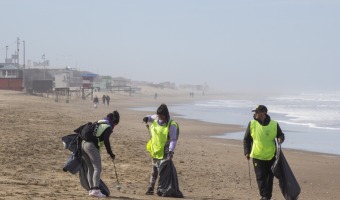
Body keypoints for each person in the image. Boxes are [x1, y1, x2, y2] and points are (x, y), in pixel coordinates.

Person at [243, 105, 285, 200]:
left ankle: (268, 196)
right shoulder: (252, 123)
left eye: (257, 112)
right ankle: (264, 196)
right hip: (257, 156)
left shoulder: (274, 124)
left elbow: (280, 135)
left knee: (269, 178)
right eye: (255, 112)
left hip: (271, 156)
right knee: (260, 177)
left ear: (264, 113)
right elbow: (246, 139)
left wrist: (280, 139)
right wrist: (247, 151)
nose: (255, 113)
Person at [142, 104, 182, 197]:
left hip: (165, 152)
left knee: (162, 172)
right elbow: (150, 117)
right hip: (155, 149)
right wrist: (146, 118)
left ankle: (161, 189)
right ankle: (151, 188)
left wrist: (171, 151)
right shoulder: (156, 117)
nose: (159, 117)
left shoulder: (171, 125)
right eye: (158, 115)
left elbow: (173, 139)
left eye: (161, 116)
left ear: (166, 115)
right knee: (154, 170)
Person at [81, 111, 120, 198]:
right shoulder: (108, 127)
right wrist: (111, 153)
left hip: (83, 144)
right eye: (115, 124)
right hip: (91, 146)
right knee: (97, 168)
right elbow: (106, 141)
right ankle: (95, 190)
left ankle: (91, 190)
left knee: (90, 168)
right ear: (114, 121)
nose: (114, 126)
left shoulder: (100, 122)